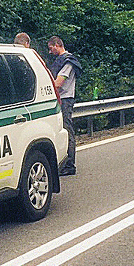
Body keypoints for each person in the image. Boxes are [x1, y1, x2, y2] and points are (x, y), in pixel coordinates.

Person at [46, 36, 82, 175]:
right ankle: (63, 162)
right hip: (60, 99)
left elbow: (59, 82)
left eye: (51, 48)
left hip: (65, 99)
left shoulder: (68, 62)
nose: (50, 52)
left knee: (67, 130)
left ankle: (70, 164)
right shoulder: (61, 61)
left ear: (57, 45)